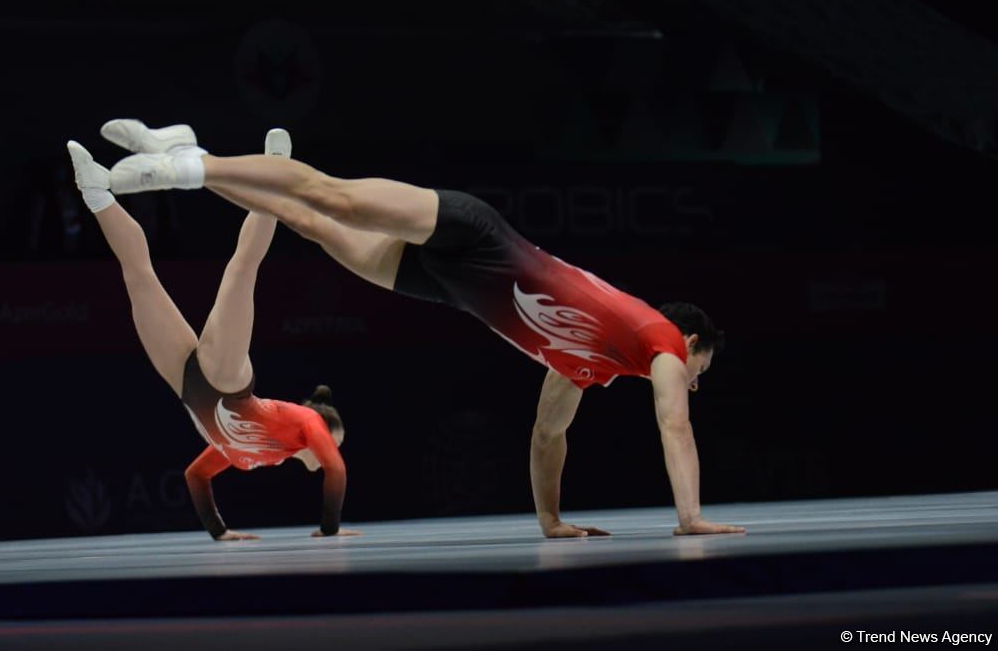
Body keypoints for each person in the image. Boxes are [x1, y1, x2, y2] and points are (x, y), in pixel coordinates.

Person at [100, 120, 745, 539]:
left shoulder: (591, 363)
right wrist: (688, 518)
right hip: (477, 234)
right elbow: (672, 423)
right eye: (700, 373)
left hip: (452, 286)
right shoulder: (660, 337)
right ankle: (192, 167)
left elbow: (549, 433)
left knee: (316, 227)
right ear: (690, 345)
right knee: (335, 198)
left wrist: (550, 519)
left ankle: (190, 153)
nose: (690, 386)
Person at [65, 128, 355, 540]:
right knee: (240, 271)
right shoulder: (308, 421)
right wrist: (330, 530)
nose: (331, 448)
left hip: (187, 386)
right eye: (332, 440)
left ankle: (95, 191)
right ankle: (277, 170)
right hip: (228, 381)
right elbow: (336, 470)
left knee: (139, 278)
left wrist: (220, 532)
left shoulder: (265, 457)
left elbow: (195, 475)